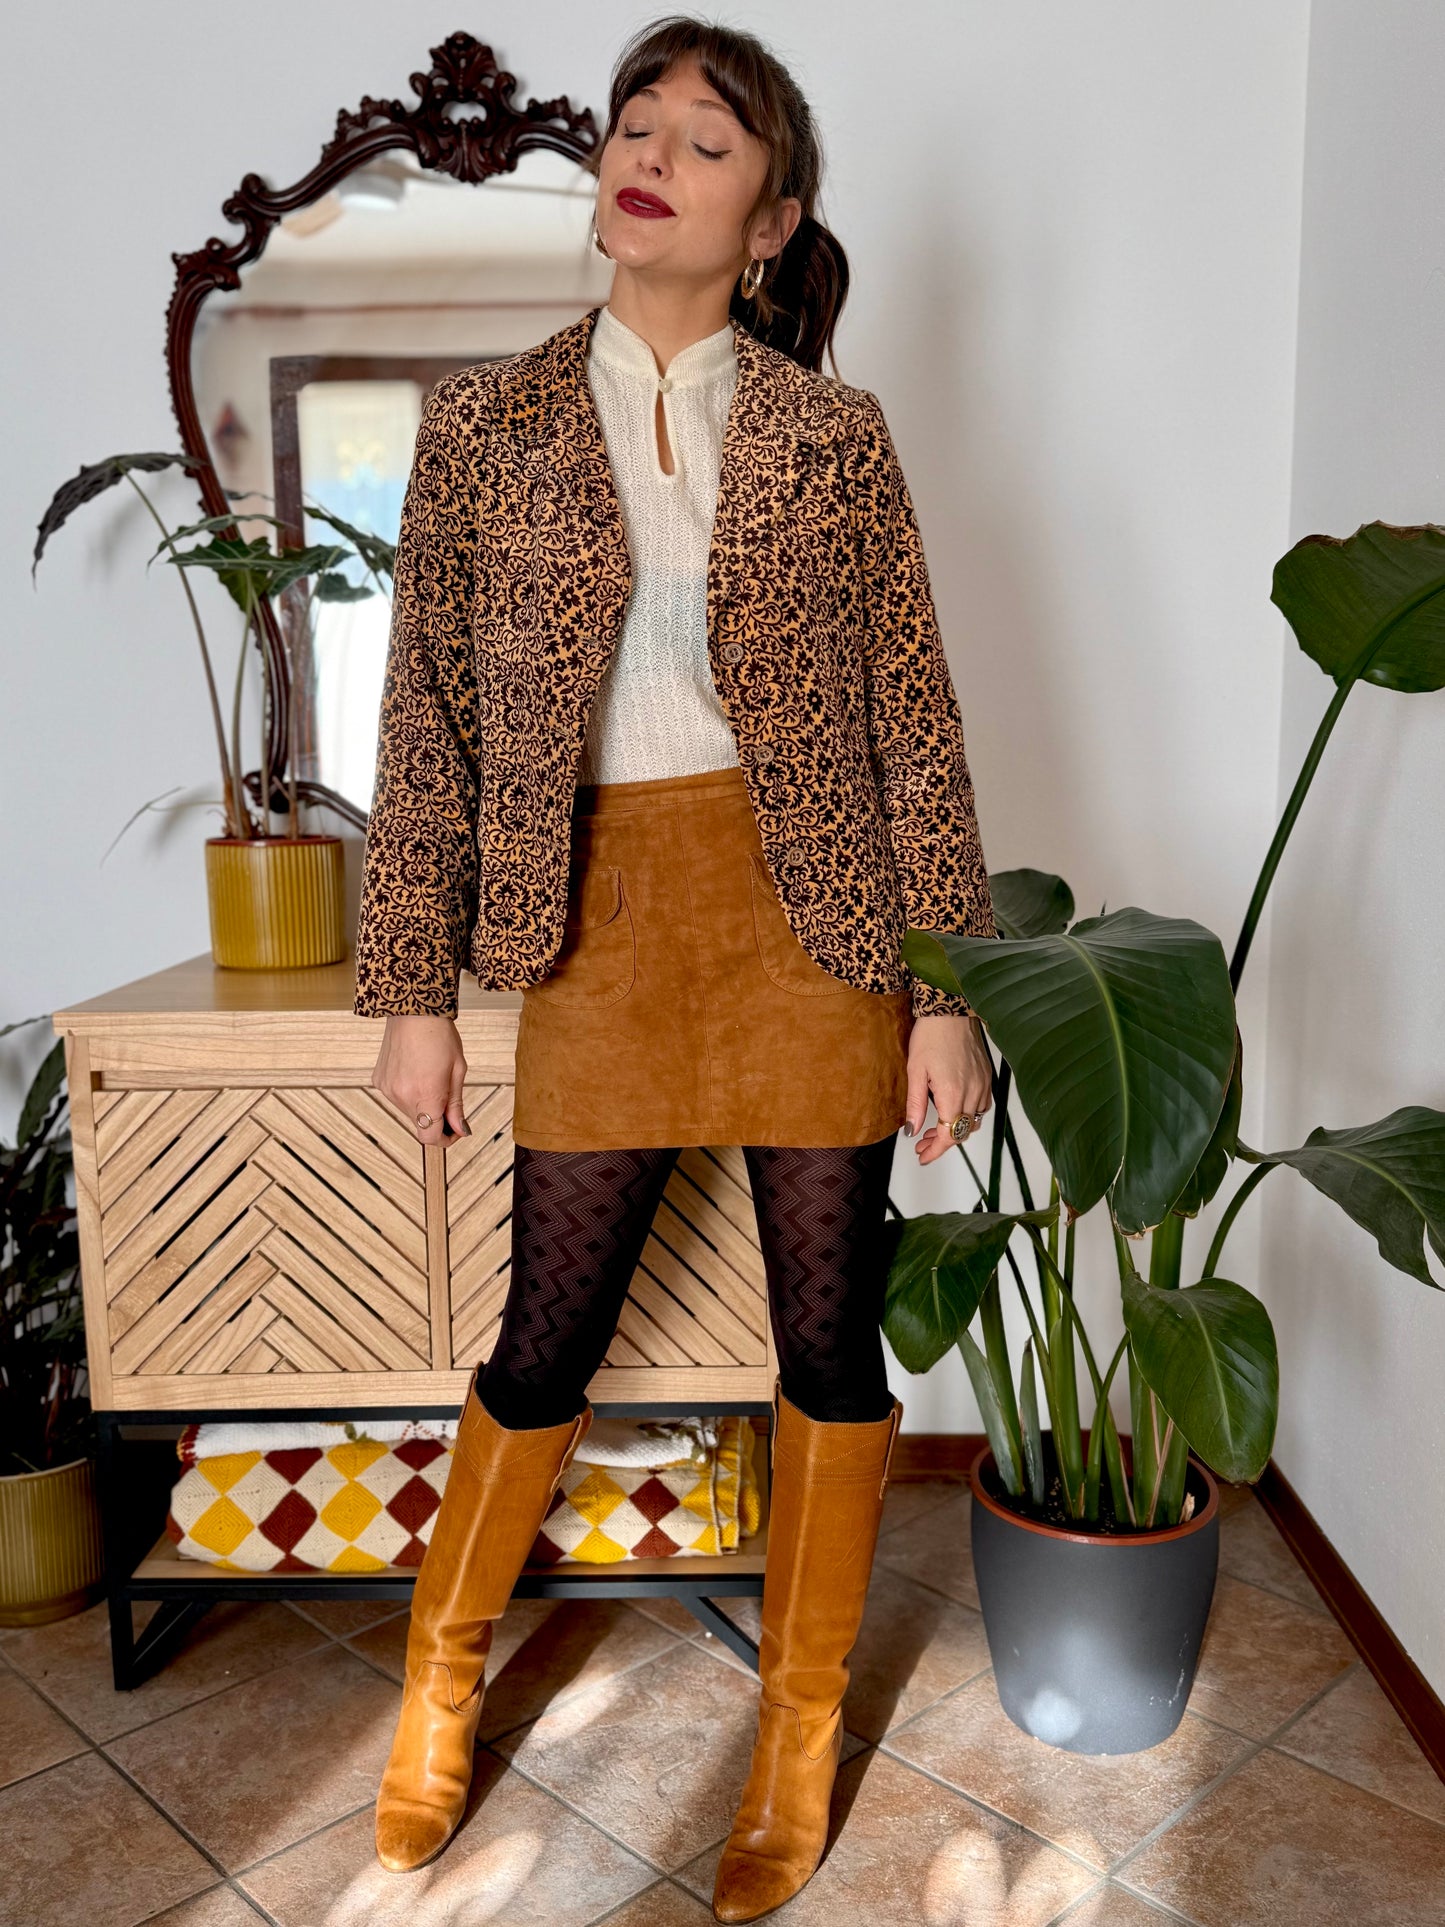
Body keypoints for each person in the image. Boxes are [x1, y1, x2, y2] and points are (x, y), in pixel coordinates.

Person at [351, 16, 996, 1920]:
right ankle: (438, 1687)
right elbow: (424, 728)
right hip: (595, 924)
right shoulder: (481, 427)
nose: (649, 156)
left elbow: (913, 726)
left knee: (828, 1342)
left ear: (771, 219)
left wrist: (944, 991)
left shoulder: (831, 437)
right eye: (634, 126)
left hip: (813, 924)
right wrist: (412, 993)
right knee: (542, 1335)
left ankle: (794, 1737)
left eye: (704, 143)